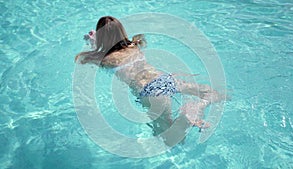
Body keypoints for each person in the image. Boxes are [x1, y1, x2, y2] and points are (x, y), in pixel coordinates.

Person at [75, 16, 224, 146]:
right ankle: (200, 105)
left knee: (168, 139)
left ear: (103, 38)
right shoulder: (134, 44)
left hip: (149, 92)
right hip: (165, 79)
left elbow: (82, 59)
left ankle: (187, 118)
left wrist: (93, 42)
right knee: (213, 94)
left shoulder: (107, 60)